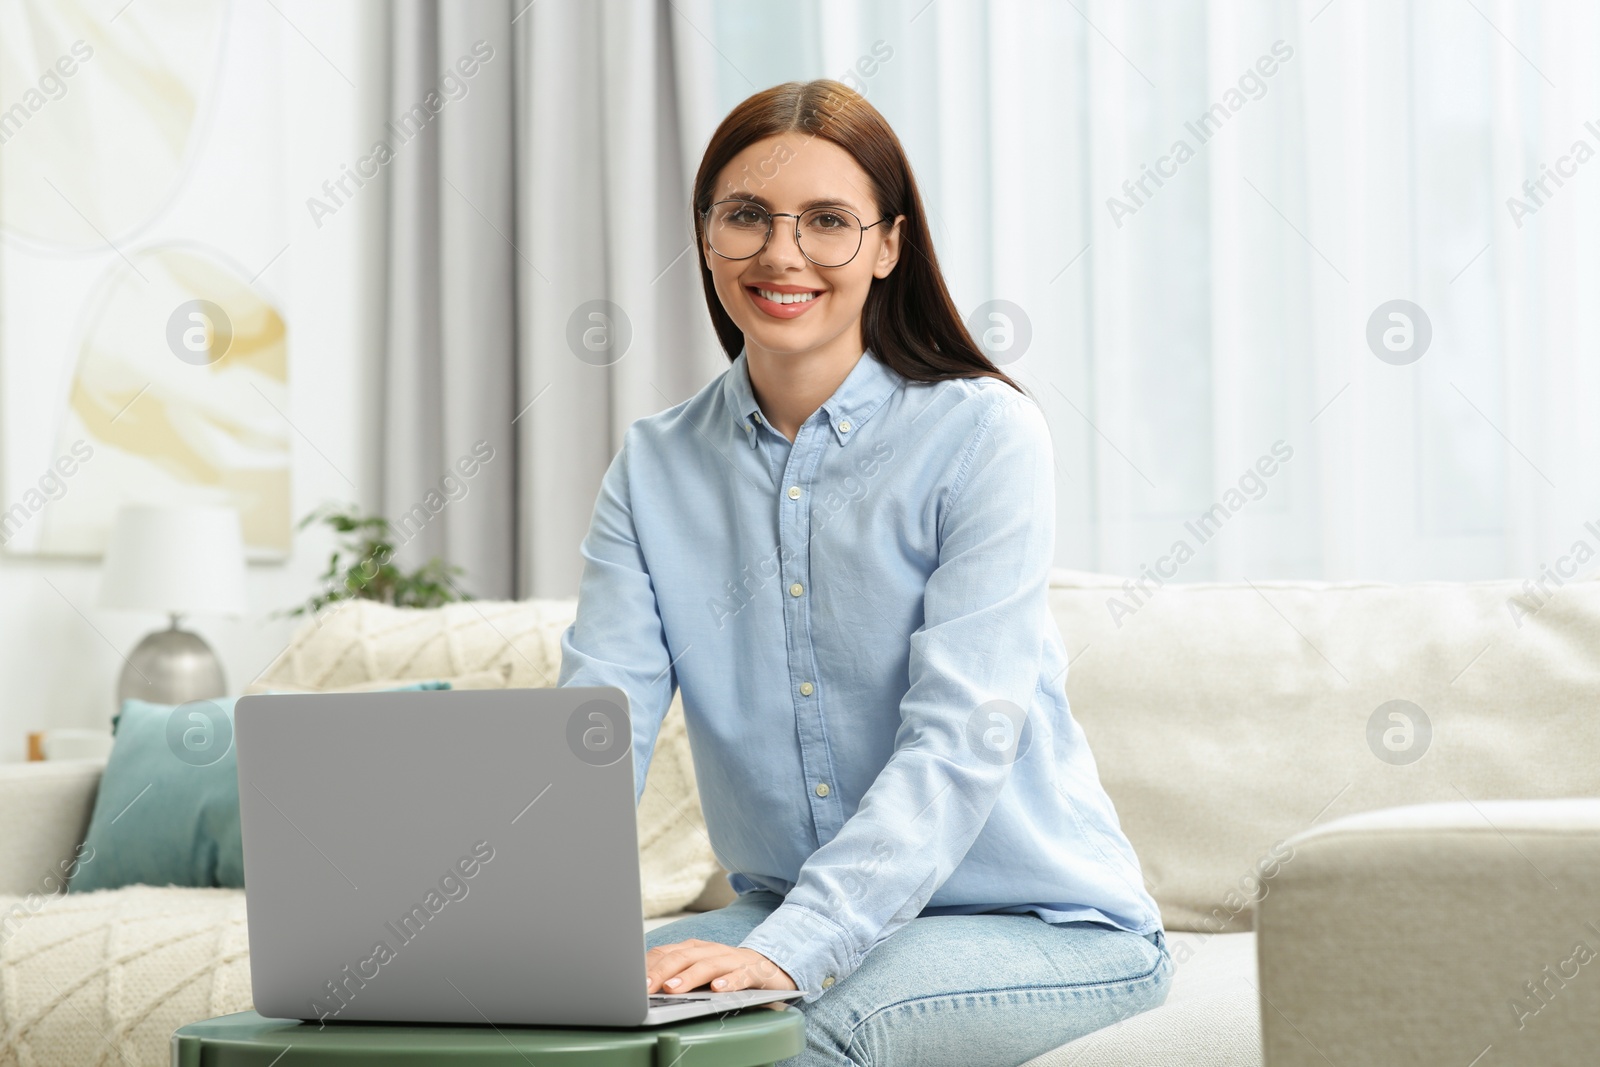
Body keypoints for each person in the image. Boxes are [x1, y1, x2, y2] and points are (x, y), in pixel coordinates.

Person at [557, 78, 1171, 1067]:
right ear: (705, 235)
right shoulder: (654, 464)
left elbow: (957, 742)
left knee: (777, 1039)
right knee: (500, 1022)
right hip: (773, 907)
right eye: (745, 216)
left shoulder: (981, 434)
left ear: (888, 244)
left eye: (827, 221)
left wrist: (789, 948)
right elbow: (596, 726)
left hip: (1039, 922)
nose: (780, 252)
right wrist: (519, 943)